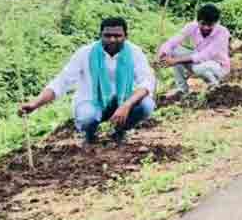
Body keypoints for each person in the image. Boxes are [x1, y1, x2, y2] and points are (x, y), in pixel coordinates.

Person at [18, 17, 156, 146]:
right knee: (87, 117)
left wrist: (126, 105)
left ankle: (120, 131)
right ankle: (89, 135)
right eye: (107, 36)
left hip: (122, 102)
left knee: (146, 105)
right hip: (91, 102)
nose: (112, 40)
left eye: (118, 36)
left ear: (126, 36)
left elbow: (147, 81)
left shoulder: (134, 52)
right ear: (100, 35)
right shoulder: (85, 53)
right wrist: (35, 104)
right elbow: (62, 82)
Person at [158, 4, 231, 100]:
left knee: (197, 67)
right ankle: (182, 90)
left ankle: (215, 86)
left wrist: (175, 61)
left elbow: (205, 55)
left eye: (210, 25)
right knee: (174, 51)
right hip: (198, 63)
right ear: (198, 21)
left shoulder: (223, 32)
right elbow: (174, 40)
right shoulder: (192, 26)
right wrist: (163, 54)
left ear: (216, 23)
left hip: (219, 67)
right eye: (203, 23)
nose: (205, 27)